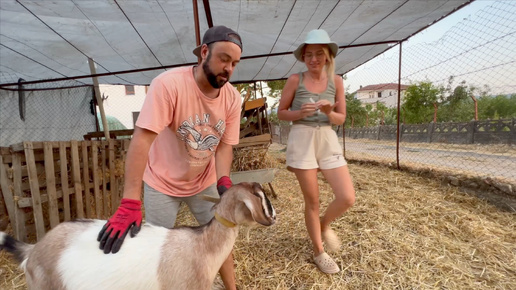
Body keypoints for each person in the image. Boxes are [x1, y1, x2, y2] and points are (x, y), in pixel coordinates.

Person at [96, 25, 243, 290]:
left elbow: (224, 146)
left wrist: (224, 183)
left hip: (203, 181)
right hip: (162, 182)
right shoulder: (168, 84)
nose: (229, 68)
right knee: (154, 248)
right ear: (205, 52)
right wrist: (130, 201)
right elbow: (142, 138)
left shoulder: (232, 98)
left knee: (220, 238)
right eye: (224, 58)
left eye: (234, 63)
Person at [277, 29, 356, 274]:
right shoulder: (294, 80)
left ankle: (323, 224)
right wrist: (300, 113)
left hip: (327, 138)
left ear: (328, 56)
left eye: (318, 54)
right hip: (301, 137)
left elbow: (340, 119)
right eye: (308, 54)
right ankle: (319, 251)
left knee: (347, 197)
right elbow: (280, 113)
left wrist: (327, 112)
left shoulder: (337, 81)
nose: (313, 59)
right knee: (312, 200)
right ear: (303, 57)